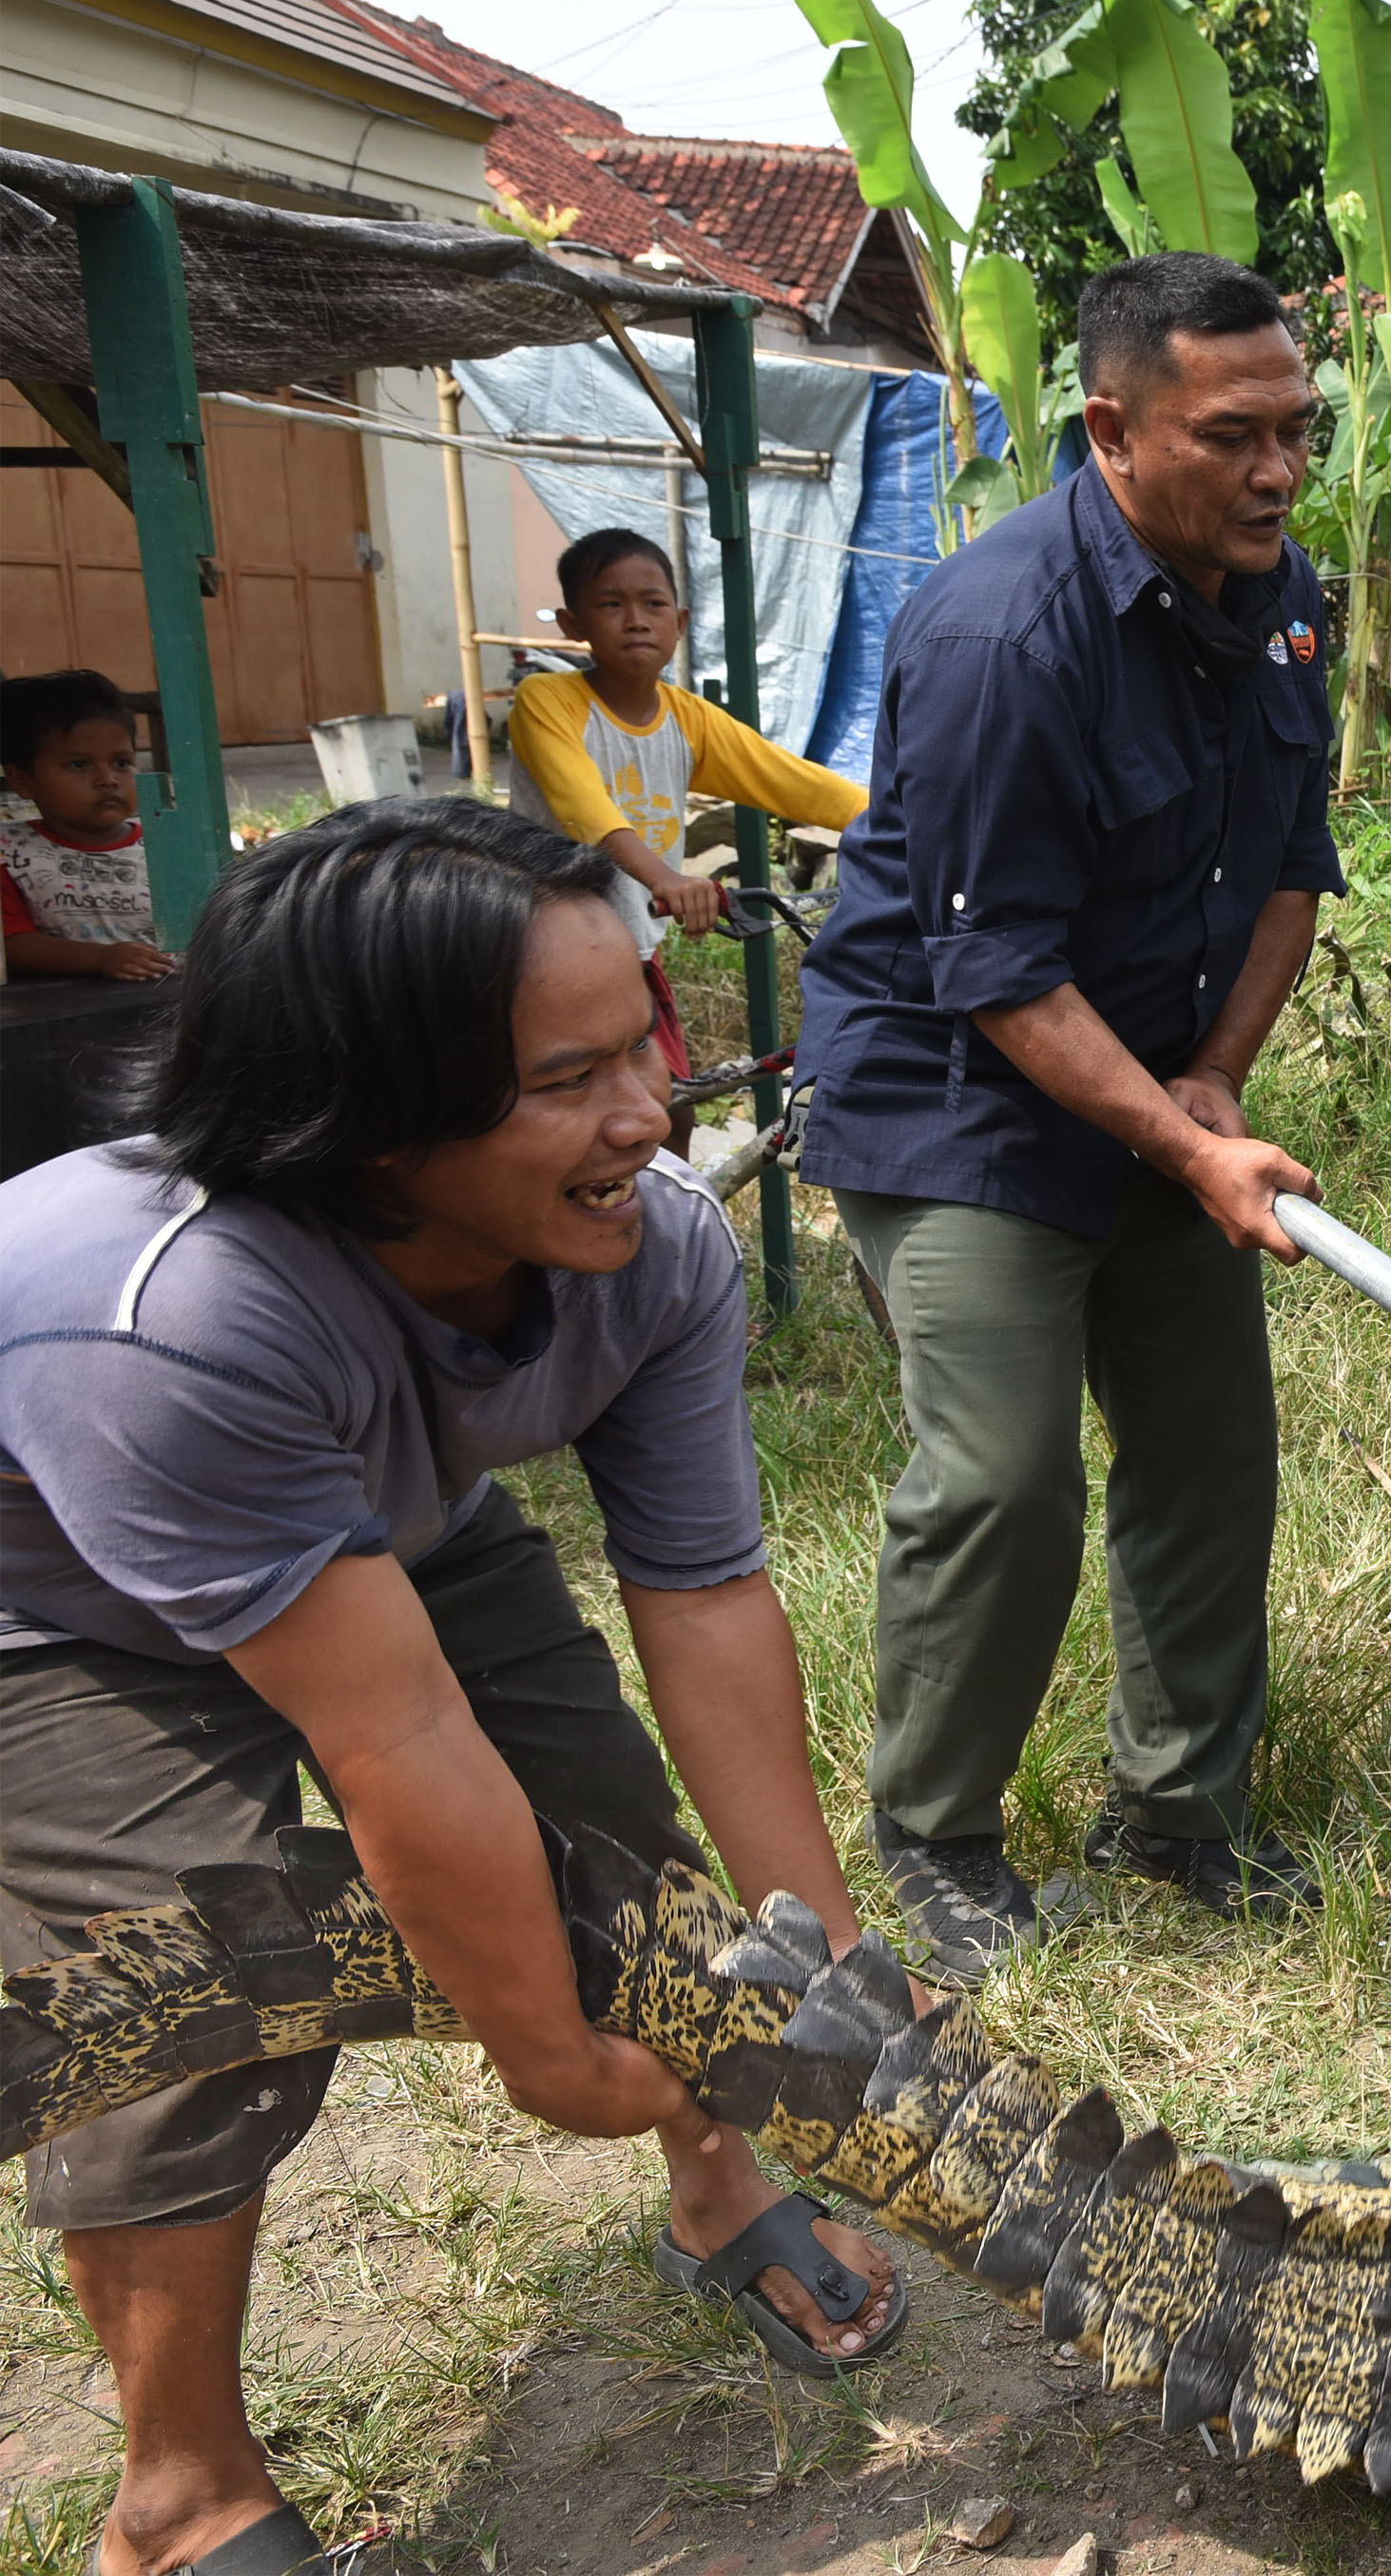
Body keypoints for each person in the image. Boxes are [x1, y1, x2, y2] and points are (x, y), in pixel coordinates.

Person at [0, 800, 911, 2576]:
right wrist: (543, 2047)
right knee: (186, 1974)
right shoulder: (166, 1308)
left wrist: (828, 1940)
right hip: (53, 1604)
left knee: (627, 1858)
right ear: (365, 1115)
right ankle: (179, 2496)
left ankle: (717, 2180)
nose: (652, 1111)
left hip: (381, 1519)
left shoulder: (654, 1245)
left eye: (649, 1034)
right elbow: (393, 1730)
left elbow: (707, 1591)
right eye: (565, 1077)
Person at [793, 253, 1338, 1984]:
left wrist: (1217, 1082)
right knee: (1003, 1471)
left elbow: (1284, 874)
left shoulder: (1282, 597)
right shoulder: (1002, 631)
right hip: (959, 1093)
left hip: (1153, 1081)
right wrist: (1185, 1147)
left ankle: (1178, 1814)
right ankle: (938, 1838)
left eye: (1298, 435)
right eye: (1233, 436)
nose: (1277, 474)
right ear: (1110, 427)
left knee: (1208, 1450)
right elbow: (997, 971)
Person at [502, 530, 869, 1146]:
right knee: (571, 1122)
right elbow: (584, 808)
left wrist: (914, 822)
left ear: (680, 621)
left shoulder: (686, 718)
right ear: (573, 623)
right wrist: (666, 878)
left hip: (627, 959)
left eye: (652, 604)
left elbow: (799, 785)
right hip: (535, 957)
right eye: (611, 605)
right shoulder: (547, 701)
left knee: (667, 1117)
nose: (636, 621)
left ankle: (653, 1236)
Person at [2, 667, 173, 981]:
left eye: (122, 763)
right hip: (61, 1016)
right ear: (22, 780)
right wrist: (100, 958)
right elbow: (11, 944)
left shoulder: (168, 846)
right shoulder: (10, 855)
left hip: (170, 1001)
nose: (108, 780)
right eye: (78, 765)